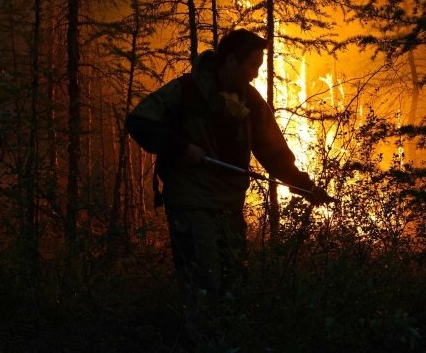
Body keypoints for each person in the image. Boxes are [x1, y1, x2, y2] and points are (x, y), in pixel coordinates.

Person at [125, 29, 327, 319]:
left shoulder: (251, 102)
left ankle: (226, 338)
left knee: (235, 282)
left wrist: (305, 187)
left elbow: (274, 154)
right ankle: (199, 340)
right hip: (191, 202)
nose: (256, 75)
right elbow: (139, 121)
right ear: (231, 62)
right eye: (252, 66)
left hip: (228, 206)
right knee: (203, 283)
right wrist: (181, 146)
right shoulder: (184, 91)